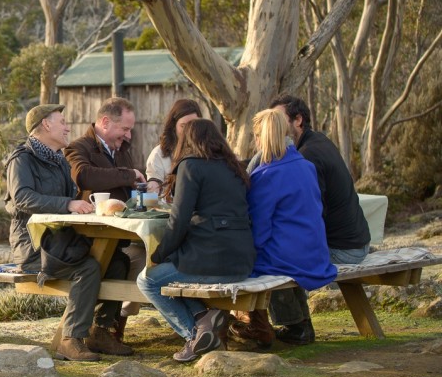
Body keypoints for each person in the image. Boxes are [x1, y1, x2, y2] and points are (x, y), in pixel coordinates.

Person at [4, 104, 133, 361]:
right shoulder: (22, 159)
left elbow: (69, 201)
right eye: (62, 121)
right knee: (88, 268)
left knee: (118, 262)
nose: (68, 127)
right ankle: (70, 339)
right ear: (45, 125)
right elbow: (21, 198)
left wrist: (86, 208)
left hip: (60, 241)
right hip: (34, 246)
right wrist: (68, 204)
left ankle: (101, 332)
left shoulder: (60, 161)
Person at [254, 94, 371, 345]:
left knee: (266, 260)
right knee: (286, 251)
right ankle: (298, 324)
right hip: (348, 241)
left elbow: (303, 214)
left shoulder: (306, 157)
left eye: (281, 119)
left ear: (298, 121)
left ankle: (293, 326)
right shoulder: (313, 148)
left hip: (341, 248)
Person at [136, 119, 255, 362]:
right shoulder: (234, 167)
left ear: (187, 141)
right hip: (242, 261)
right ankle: (204, 319)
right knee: (174, 275)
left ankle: (193, 336)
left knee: (148, 280)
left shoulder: (191, 166)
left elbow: (178, 220)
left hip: (212, 260)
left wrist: (158, 255)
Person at [229, 109, 337, 348]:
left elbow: (259, 230)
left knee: (246, 264)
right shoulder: (305, 165)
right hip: (315, 251)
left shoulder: (267, 175)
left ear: (260, 138)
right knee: (275, 256)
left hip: (289, 256)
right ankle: (299, 323)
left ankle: (266, 325)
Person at [62, 97, 145, 348]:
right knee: (112, 264)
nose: (128, 135)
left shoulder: (121, 150)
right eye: (125, 128)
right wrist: (128, 175)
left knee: (120, 264)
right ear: (106, 122)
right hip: (86, 238)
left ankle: (104, 332)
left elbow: (131, 183)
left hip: (118, 236)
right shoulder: (79, 147)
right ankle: (81, 334)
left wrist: (147, 186)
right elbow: (84, 176)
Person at [145, 98, 203, 195]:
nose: (189, 131)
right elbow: (154, 185)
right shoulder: (159, 153)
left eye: (193, 126)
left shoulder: (207, 152)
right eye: (183, 126)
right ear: (173, 126)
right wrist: (153, 188)